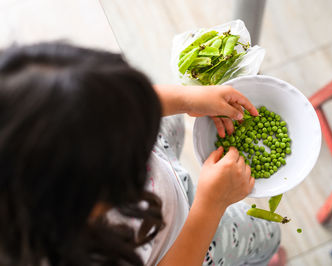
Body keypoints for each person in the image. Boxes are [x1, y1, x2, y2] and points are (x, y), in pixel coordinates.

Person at [0, 42, 281, 266]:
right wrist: (211, 205)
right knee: (266, 233)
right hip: (186, 240)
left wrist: (184, 99)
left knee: (167, 125)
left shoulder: (30, 119)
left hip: (163, 184)